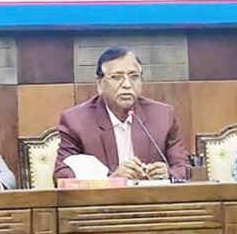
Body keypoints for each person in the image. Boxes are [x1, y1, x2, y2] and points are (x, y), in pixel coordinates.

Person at [54, 47, 189, 182]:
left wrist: (169, 173)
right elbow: (62, 175)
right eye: (117, 77)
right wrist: (111, 179)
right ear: (100, 83)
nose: (127, 84)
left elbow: (185, 168)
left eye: (134, 76)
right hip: (104, 196)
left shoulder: (163, 116)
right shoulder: (76, 121)